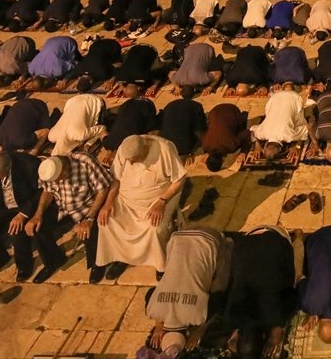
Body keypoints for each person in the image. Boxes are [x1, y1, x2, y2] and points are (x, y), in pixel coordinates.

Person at [96, 134, 186, 279]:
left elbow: (179, 179)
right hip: (126, 201)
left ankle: (160, 264)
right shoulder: (124, 149)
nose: (131, 164)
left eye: (134, 161)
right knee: (106, 222)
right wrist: (108, 203)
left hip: (156, 201)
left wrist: (162, 201)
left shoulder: (164, 149)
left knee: (153, 229)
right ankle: (122, 258)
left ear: (145, 149)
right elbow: (116, 179)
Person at [0, 152, 64, 283]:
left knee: (17, 231)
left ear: (7, 168)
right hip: (5, 207)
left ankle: (24, 266)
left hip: (26, 206)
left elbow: (41, 192)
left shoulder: (30, 165)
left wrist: (23, 214)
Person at [146, 228, 232, 356]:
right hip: (177, 237)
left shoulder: (197, 317)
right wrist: (158, 325)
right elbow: (150, 293)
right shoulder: (153, 311)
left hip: (210, 238)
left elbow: (219, 302)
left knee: (221, 286)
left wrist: (200, 330)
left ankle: (228, 244)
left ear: (187, 333)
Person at [32, 153, 115, 283]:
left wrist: (89, 218)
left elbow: (103, 189)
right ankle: (54, 261)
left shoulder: (85, 162)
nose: (58, 182)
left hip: (87, 205)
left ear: (65, 168)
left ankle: (98, 264)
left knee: (88, 230)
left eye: (60, 179)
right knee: (37, 227)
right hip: (63, 206)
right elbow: (48, 191)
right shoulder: (48, 167)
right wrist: (38, 214)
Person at [226, 226, 298, 359]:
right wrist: (237, 330)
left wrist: (278, 326)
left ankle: (298, 239)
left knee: (294, 279)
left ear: (265, 337)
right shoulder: (232, 315)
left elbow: (296, 295)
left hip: (278, 236)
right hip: (245, 239)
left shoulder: (277, 315)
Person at [159, 88, 208, 159]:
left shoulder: (170, 104)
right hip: (182, 147)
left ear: (181, 94)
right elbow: (199, 129)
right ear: (194, 95)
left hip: (165, 144)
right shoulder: (196, 106)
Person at [200, 103, 250, 172]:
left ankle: (243, 115)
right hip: (214, 110)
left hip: (233, 110)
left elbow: (247, 133)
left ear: (223, 160)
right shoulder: (205, 145)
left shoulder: (231, 146)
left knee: (241, 129)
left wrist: (244, 151)